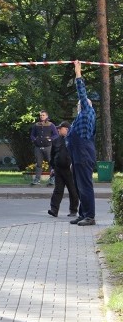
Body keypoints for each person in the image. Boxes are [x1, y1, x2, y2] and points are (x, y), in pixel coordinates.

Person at [67, 61, 97, 226]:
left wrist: (78, 72)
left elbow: (81, 93)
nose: (78, 106)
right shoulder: (80, 119)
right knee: (79, 186)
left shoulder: (87, 111)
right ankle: (82, 213)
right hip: (78, 155)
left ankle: (90, 216)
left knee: (85, 185)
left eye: (80, 104)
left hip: (84, 154)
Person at [47, 121, 79, 218]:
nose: (58, 130)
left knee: (73, 190)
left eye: (60, 128)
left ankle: (73, 210)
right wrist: (52, 168)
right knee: (58, 190)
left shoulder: (73, 140)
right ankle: (54, 210)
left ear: (66, 129)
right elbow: (52, 155)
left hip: (70, 170)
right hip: (58, 169)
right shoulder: (56, 140)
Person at [29, 110, 58, 185]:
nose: (42, 116)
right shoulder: (36, 125)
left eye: (43, 115)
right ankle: (37, 179)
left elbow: (56, 134)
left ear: (47, 116)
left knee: (51, 163)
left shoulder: (51, 125)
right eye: (41, 115)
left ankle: (52, 179)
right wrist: (35, 140)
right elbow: (32, 135)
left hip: (48, 147)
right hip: (38, 147)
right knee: (38, 164)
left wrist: (50, 139)